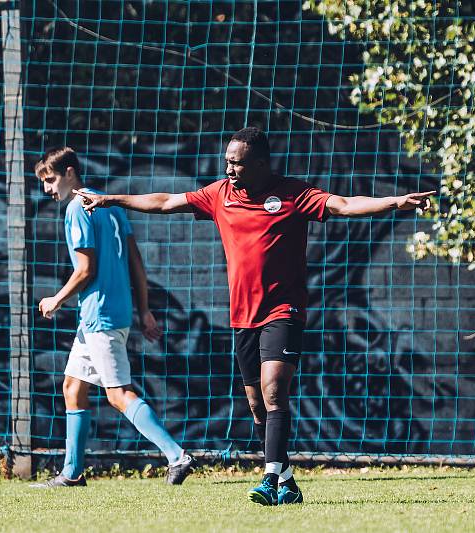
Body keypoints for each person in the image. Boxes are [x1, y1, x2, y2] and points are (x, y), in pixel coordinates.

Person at [75, 127, 435, 505]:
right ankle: (287, 480)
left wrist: (396, 202)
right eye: (227, 161)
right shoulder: (219, 195)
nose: (228, 168)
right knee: (256, 404)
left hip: (284, 311)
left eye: (237, 162)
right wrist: (112, 199)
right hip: (242, 316)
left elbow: (343, 205)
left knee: (275, 390)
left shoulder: (294, 194)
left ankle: (268, 478)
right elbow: (166, 201)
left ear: (260, 164)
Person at [31, 147, 195, 488]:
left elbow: (85, 270)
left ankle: (176, 455)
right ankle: (72, 473)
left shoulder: (78, 208)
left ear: (71, 173)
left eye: (51, 180)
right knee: (73, 387)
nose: (48, 189)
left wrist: (56, 299)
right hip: (109, 313)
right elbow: (135, 260)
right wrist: (144, 309)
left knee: (118, 394)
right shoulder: (107, 203)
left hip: (100, 314)